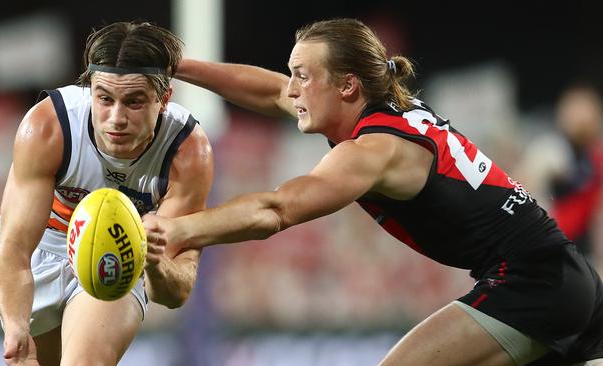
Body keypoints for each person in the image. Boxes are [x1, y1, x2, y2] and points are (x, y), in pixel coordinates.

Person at [145, 18, 603, 365]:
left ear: (347, 85)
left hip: (534, 283)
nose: (291, 88)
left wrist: (176, 230)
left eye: (302, 75)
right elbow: (268, 93)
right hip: (563, 277)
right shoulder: (383, 113)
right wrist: (176, 66)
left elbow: (276, 209)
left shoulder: (373, 149)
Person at [0, 21, 214, 365]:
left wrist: (155, 261)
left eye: (135, 102)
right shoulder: (49, 126)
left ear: (164, 99)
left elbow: (176, 292)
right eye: (104, 99)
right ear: (90, 91)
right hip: (44, 246)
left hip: (122, 252)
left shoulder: (187, 151)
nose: (116, 118)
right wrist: (15, 326)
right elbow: (14, 250)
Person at [513, 83, 603, 265]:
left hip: (587, 254)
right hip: (554, 248)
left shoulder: (597, 155)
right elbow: (518, 187)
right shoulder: (550, 150)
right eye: (575, 114)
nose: (581, 121)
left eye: (587, 115)